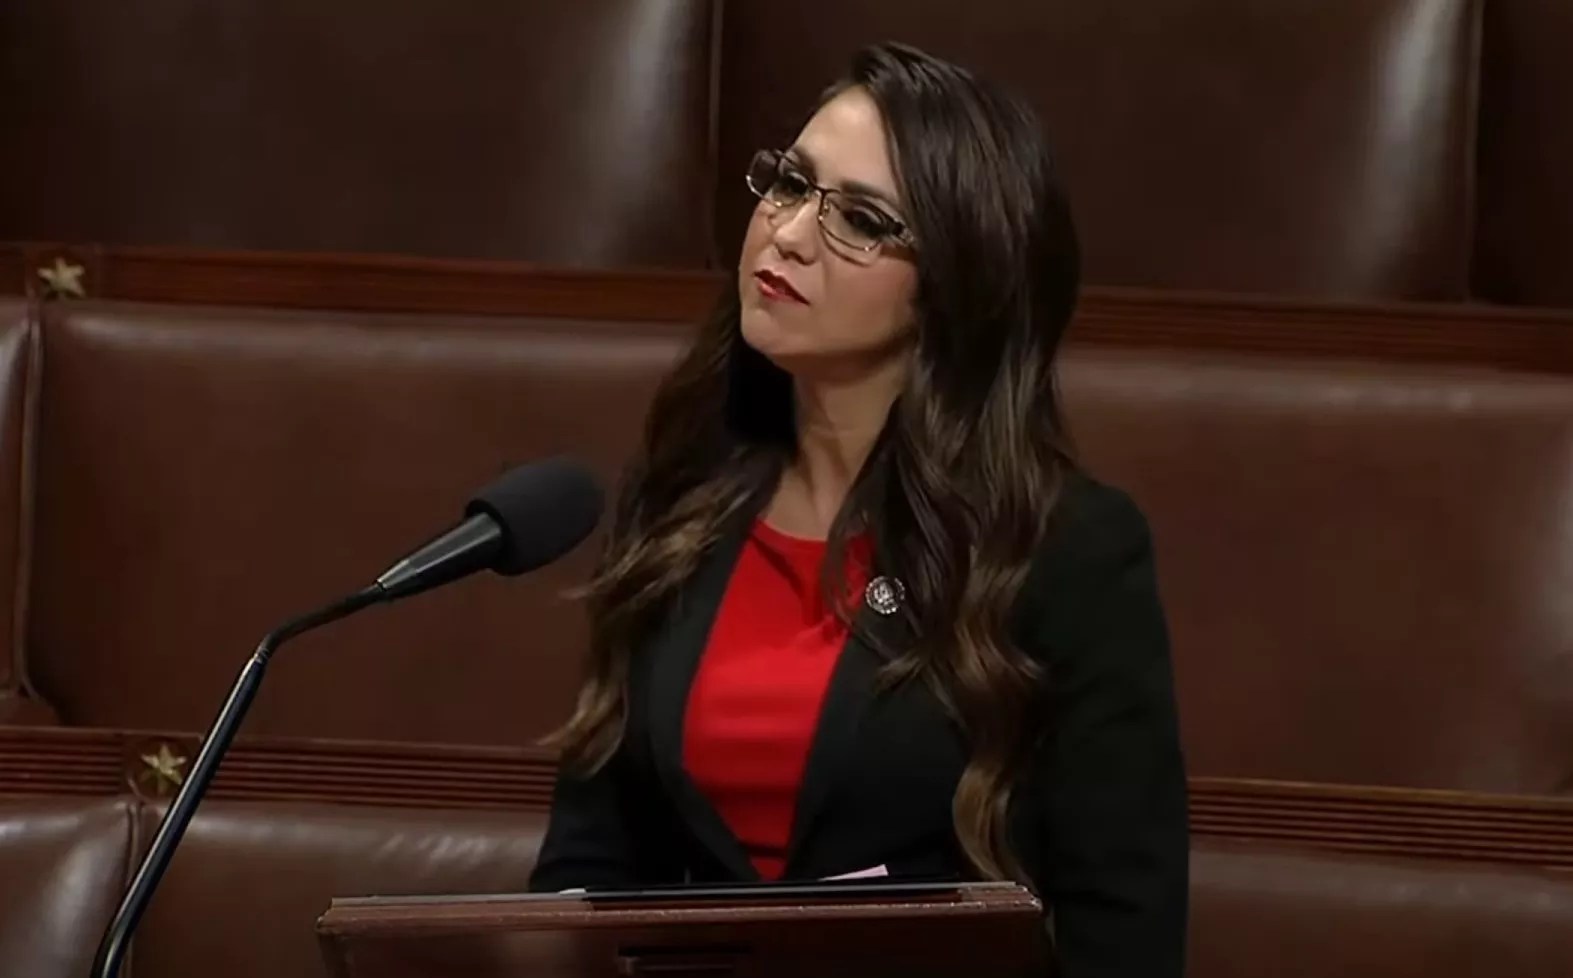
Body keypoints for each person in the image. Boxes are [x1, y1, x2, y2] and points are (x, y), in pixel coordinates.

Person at [528, 40, 1188, 977]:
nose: (789, 233)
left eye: (861, 221)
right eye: (791, 183)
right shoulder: (683, 498)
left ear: (952, 287)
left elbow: (1121, 927)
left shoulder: (1066, 548)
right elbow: (586, 868)